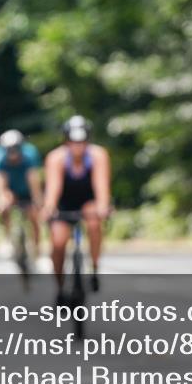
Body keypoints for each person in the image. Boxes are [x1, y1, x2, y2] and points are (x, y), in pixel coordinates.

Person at [40, 115, 112, 301]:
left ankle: (94, 268)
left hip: (88, 201)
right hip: (64, 203)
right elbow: (53, 189)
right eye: (73, 142)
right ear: (66, 141)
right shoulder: (56, 158)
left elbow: (101, 186)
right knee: (58, 242)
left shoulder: (97, 155)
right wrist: (49, 208)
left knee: (94, 224)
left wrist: (103, 206)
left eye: (81, 142)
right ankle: (60, 286)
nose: (77, 146)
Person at [0, 129, 43, 255]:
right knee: (4, 205)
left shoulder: (30, 154)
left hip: (27, 188)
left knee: (34, 216)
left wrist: (38, 200)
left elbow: (33, 179)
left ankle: (37, 250)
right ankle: (7, 238)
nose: (13, 152)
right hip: (11, 189)